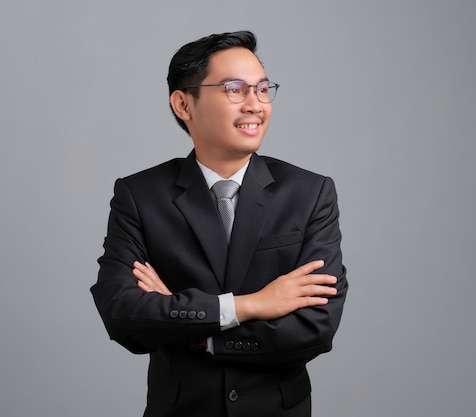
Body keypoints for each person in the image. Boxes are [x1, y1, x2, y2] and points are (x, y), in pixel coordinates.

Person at [90, 30, 348, 417]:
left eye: (263, 90)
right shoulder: (140, 196)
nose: (255, 105)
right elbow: (123, 313)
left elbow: (315, 327)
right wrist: (252, 305)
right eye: (234, 89)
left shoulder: (310, 193)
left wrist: (198, 337)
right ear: (183, 104)